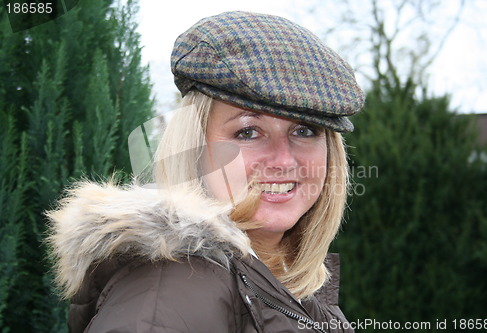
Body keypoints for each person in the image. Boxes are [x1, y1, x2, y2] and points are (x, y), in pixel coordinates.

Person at [47, 11, 364, 333]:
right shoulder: (167, 293)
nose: (284, 160)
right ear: (194, 148)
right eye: (248, 132)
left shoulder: (287, 276)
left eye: (305, 130)